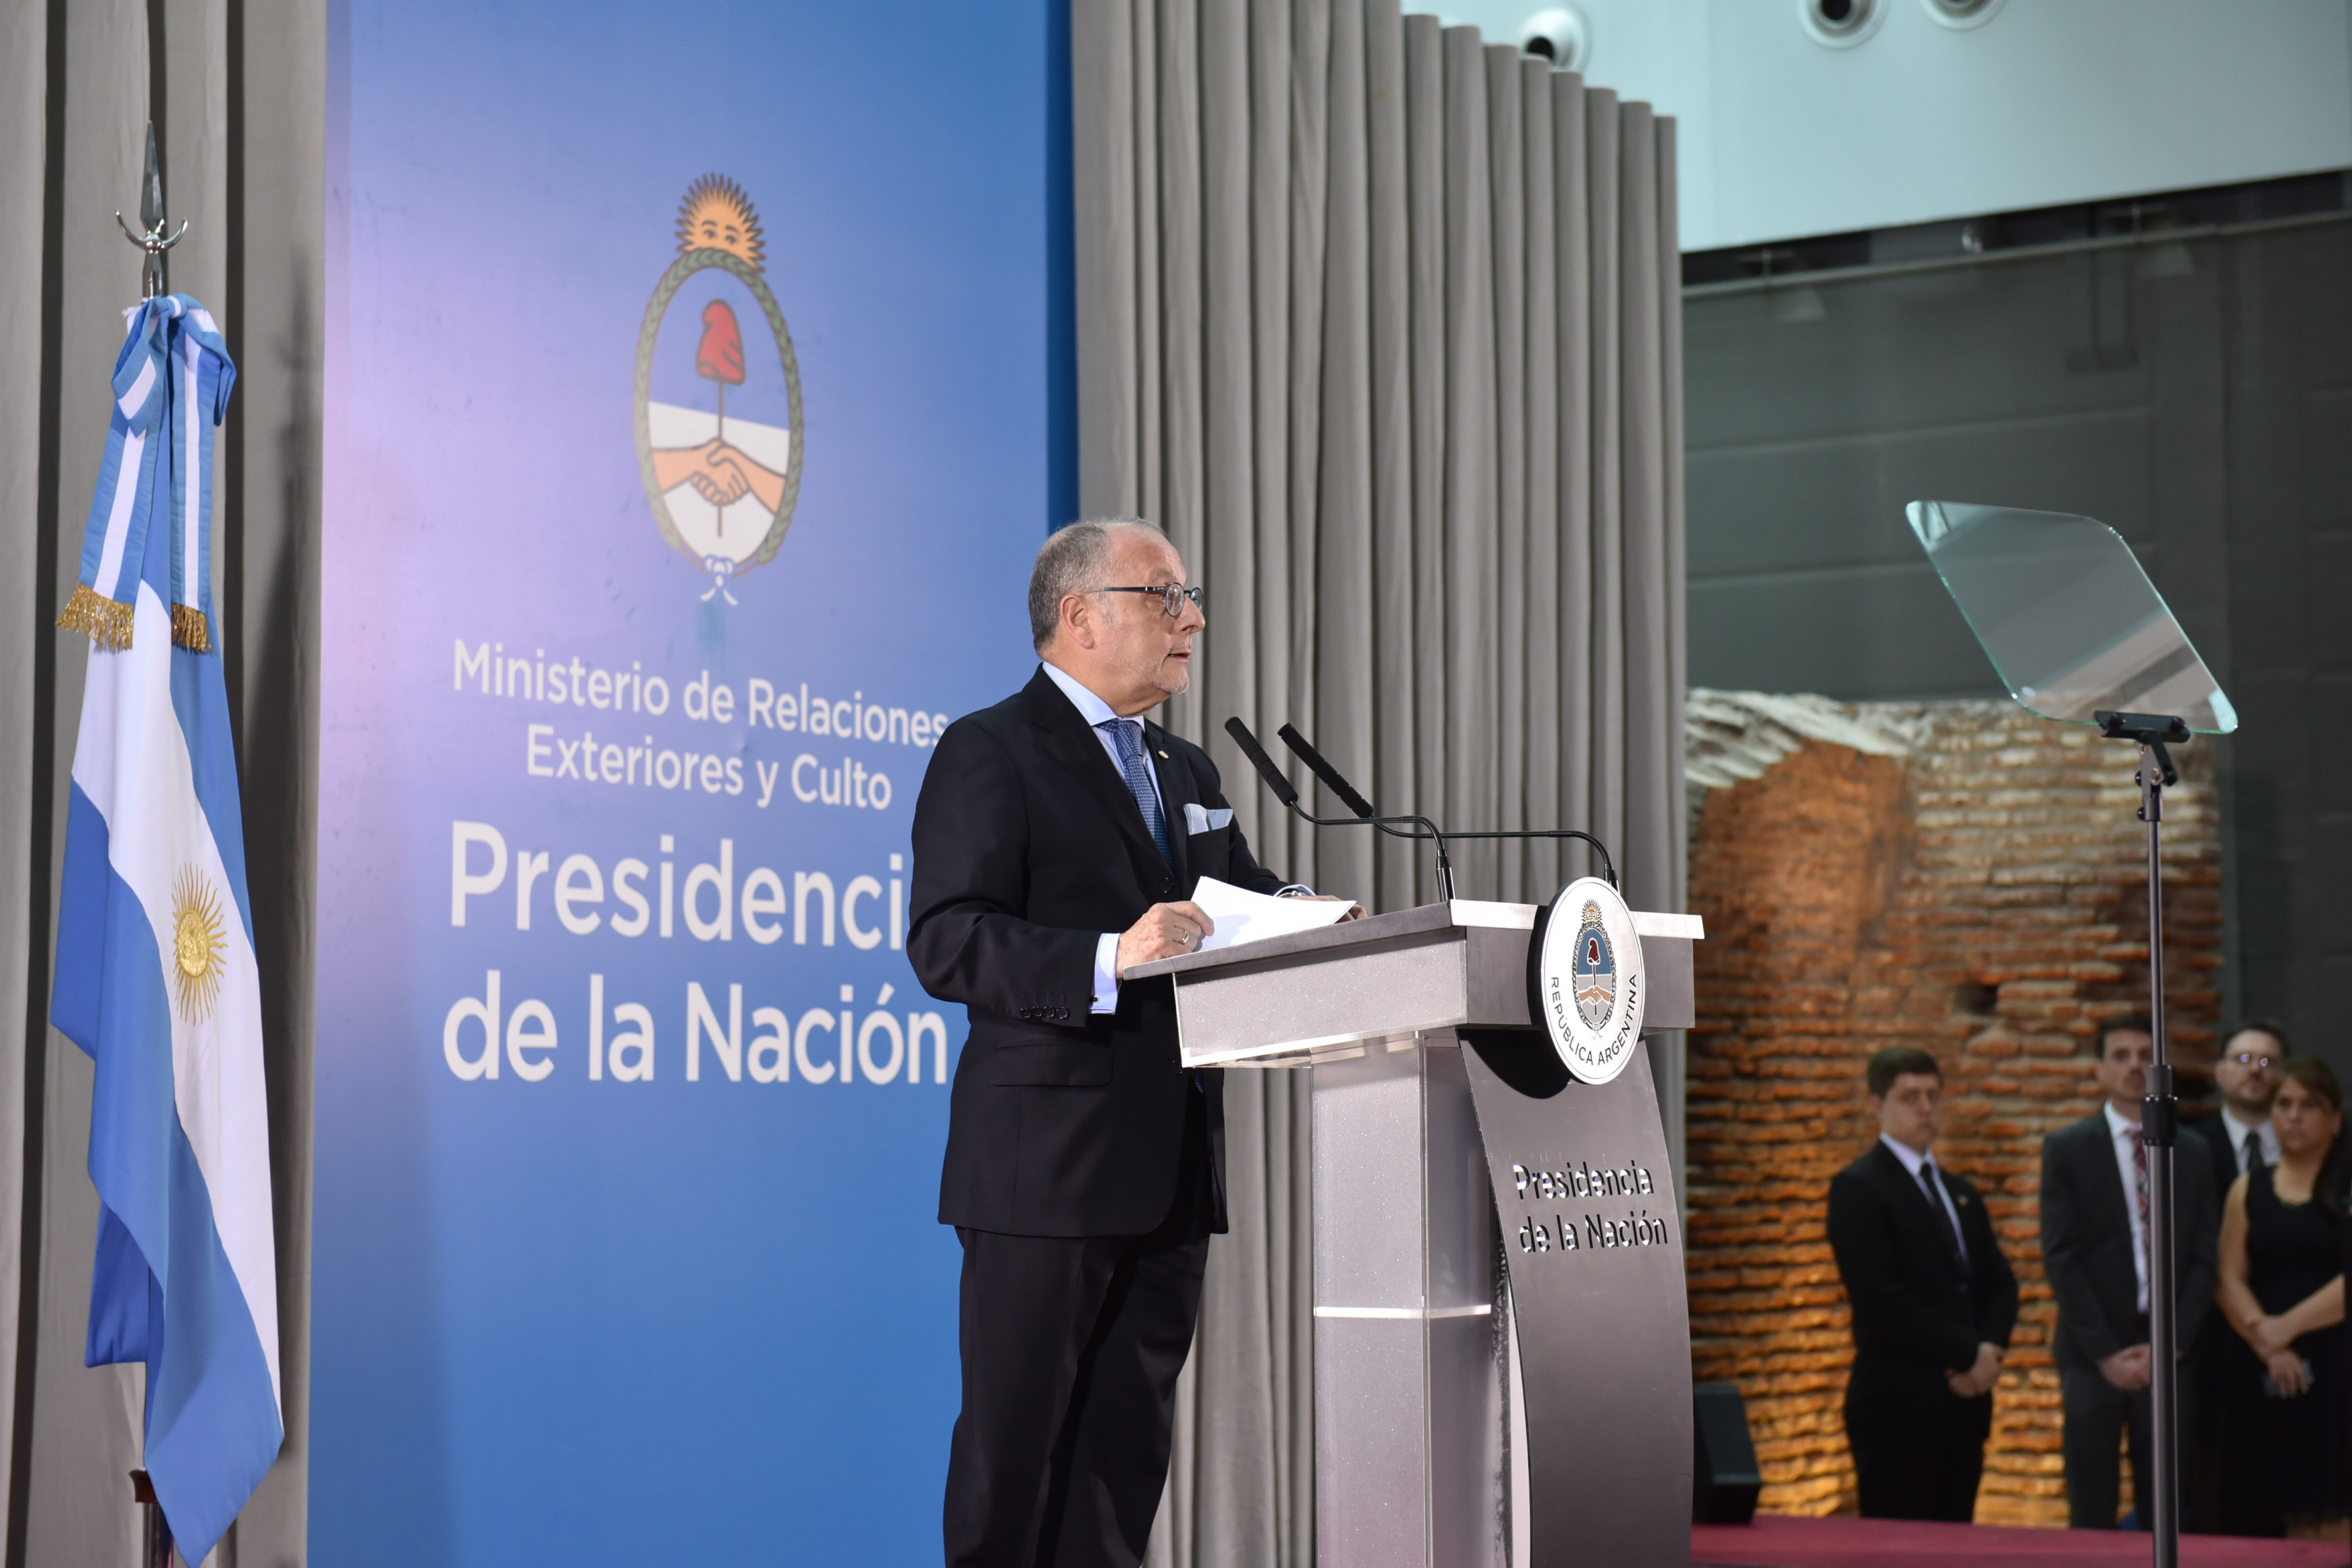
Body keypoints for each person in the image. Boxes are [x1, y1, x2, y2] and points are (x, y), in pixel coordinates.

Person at [909, 516, 1352, 1568]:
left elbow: (1234, 893)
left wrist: (1313, 917)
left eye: (1187, 598)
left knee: (1119, 1469)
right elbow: (946, 938)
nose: (1190, 617)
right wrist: (1112, 953)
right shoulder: (990, 748)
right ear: (1078, 614)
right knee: (1010, 1466)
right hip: (1042, 1176)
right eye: (1165, 596)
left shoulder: (1185, 764)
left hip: (1169, 1171)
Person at [2039, 1014, 2220, 1530]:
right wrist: (2106, 1354)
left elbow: (2204, 1258)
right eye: (2120, 1056)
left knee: (2165, 1508)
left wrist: (2169, 1344)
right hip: (2092, 1354)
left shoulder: (2192, 1152)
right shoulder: (2067, 1149)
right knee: (2091, 1505)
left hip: (2169, 1352)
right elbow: (2061, 1256)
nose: (2134, 1066)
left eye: (2144, 1056)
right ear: (2098, 1069)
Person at [1828, 1046, 2019, 1521]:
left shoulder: (1960, 1192)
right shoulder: (1858, 1188)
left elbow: (2000, 1282)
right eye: (1909, 1097)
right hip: (1898, 1408)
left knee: (1956, 1546)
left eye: (1933, 1096)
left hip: (1962, 1407)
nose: (1925, 1108)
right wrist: (1967, 1353)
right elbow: (1881, 1300)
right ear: (1876, 1104)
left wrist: (1990, 1352)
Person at [2213, 1056, 2349, 1540]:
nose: (2293, 1115)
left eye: (2308, 1105)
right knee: (2266, 1507)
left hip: (2337, 1366)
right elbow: (2228, 1278)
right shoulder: (2247, 1188)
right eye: (2283, 1104)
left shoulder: (2346, 1187)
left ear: (2334, 1119)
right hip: (2264, 1366)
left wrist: (2285, 1327)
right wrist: (2269, 1346)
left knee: (2330, 1505)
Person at [2185, 1020, 2287, 1529]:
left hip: (2299, 1331)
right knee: (2217, 1487)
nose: (2255, 1072)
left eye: (2268, 1062)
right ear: (2220, 1072)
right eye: (2244, 1060)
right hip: (2212, 1342)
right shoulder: (2187, 1147)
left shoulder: (2314, 1149)